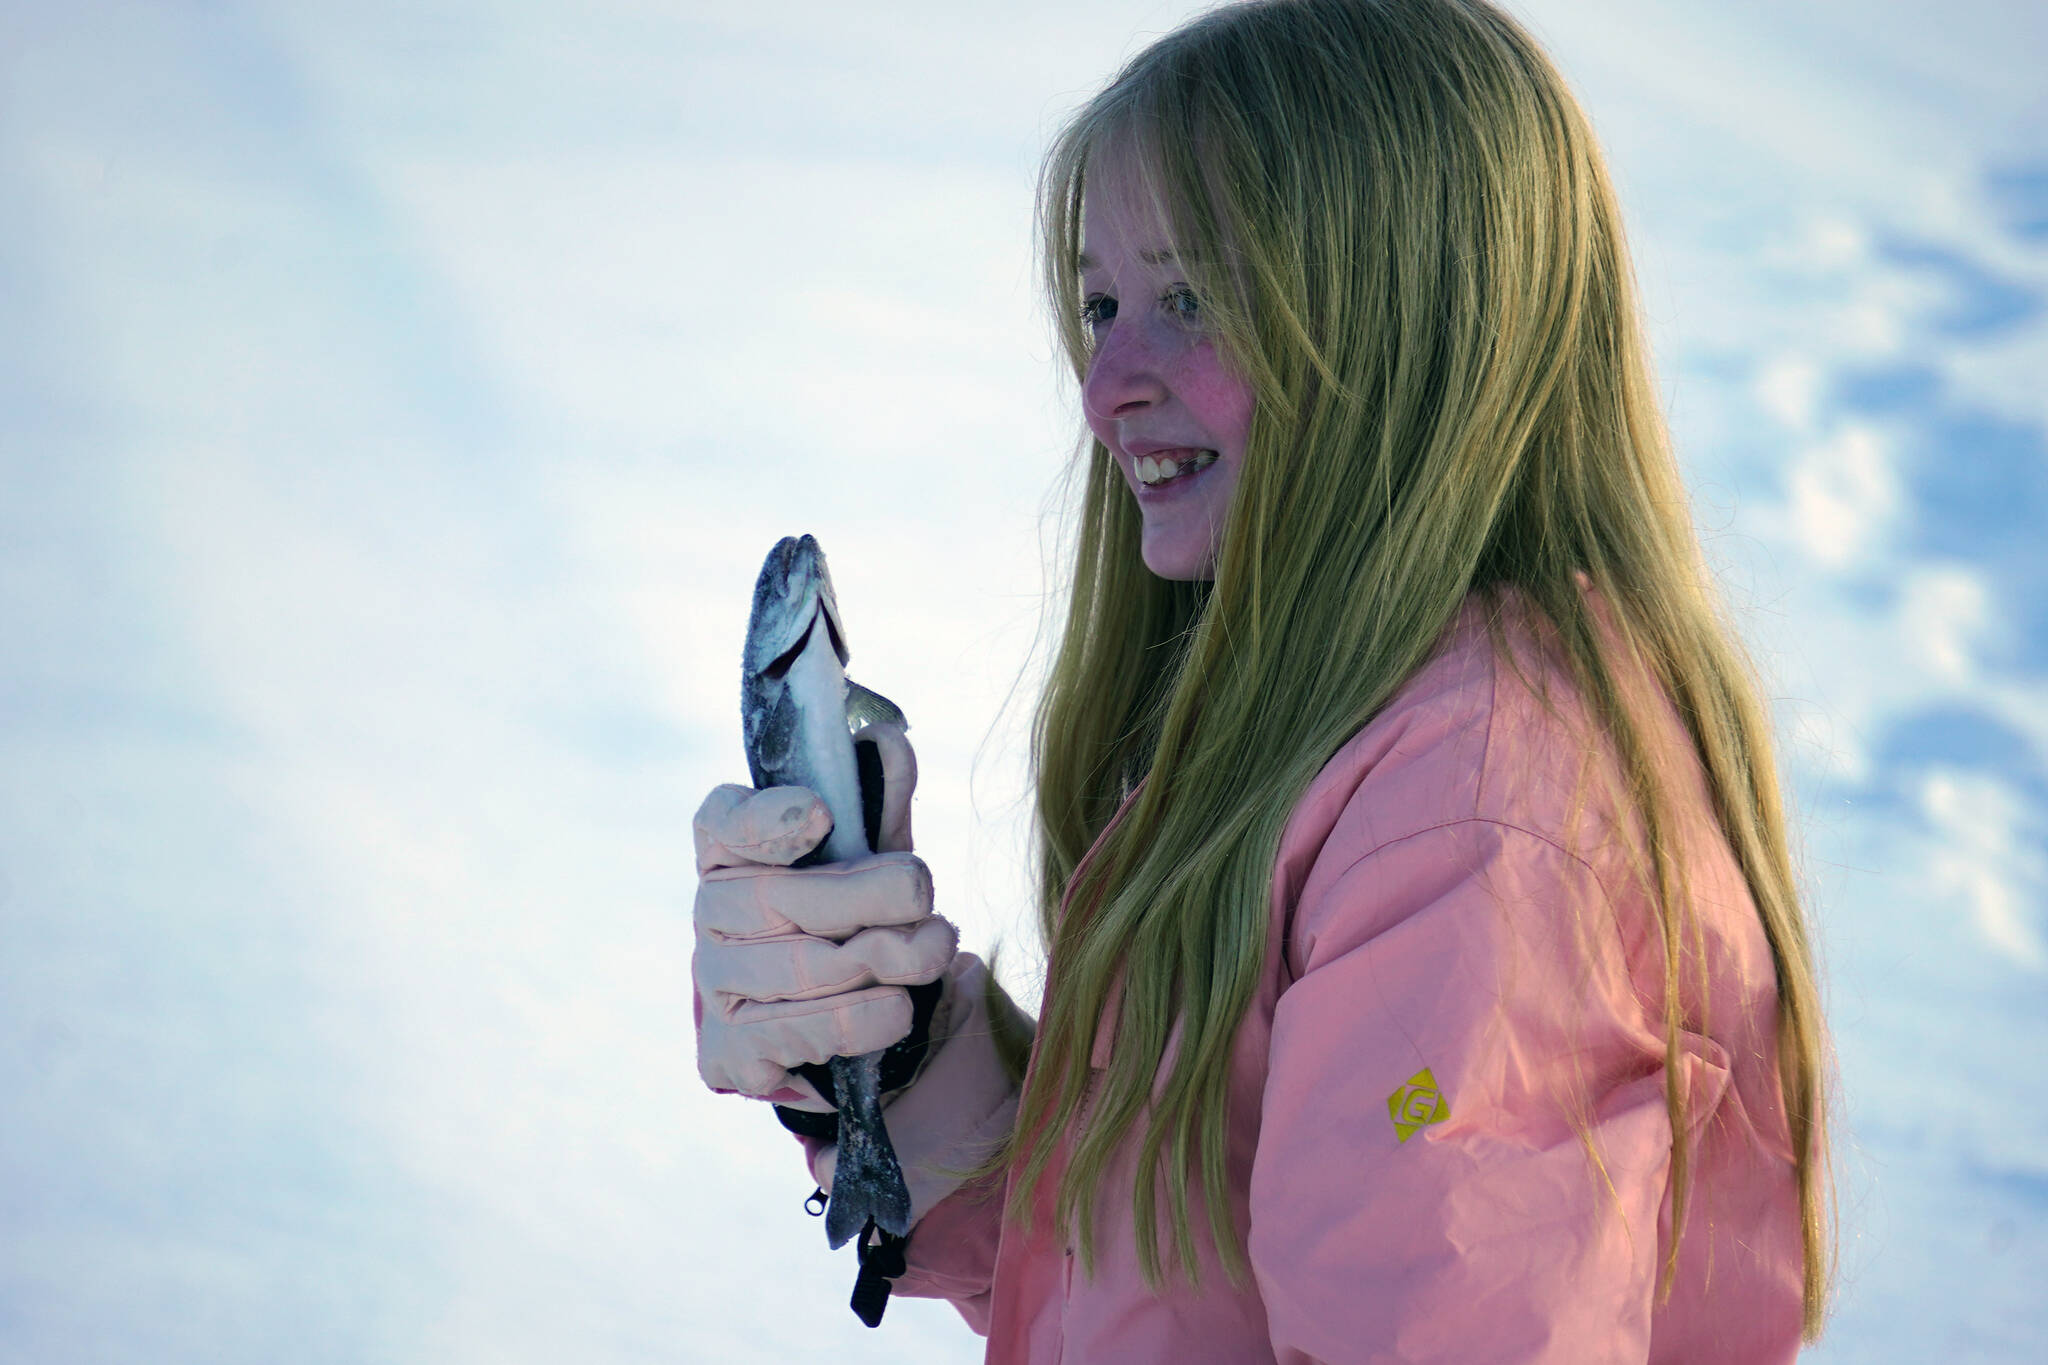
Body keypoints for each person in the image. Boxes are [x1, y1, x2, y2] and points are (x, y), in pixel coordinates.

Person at [691, 0, 1835, 1359]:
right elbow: (1153, 1282)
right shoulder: (1339, 737)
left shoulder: (1472, 816)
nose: (1108, 381)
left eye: (1196, 298)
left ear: (1426, 323)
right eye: (1102, 302)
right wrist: (892, 1046)